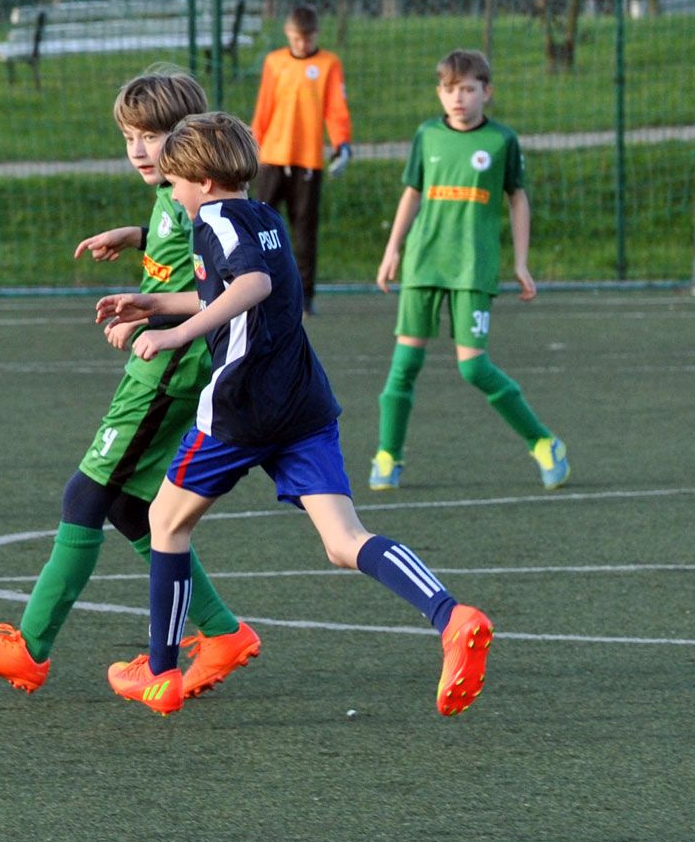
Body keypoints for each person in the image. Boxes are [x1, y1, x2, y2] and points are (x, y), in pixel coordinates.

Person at [95, 113, 494, 718]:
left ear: (203, 181)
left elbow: (250, 286)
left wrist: (176, 335)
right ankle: (451, 616)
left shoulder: (213, 220)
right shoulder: (263, 217)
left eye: (175, 183)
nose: (172, 194)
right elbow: (226, 290)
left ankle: (160, 672)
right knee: (344, 540)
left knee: (164, 522)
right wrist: (151, 304)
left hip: (243, 406)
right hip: (302, 401)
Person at [0, 68, 259, 697]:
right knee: (128, 507)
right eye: (128, 137)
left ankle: (29, 648)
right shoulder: (174, 196)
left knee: (84, 495)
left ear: (189, 140)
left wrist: (150, 312)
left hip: (167, 370)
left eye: (152, 137)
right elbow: (182, 244)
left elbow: (217, 285)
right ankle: (222, 632)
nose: (139, 150)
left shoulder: (194, 201)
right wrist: (137, 236)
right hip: (162, 365)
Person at [369, 49, 569, 492]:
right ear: (439, 94)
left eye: (467, 89)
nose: (457, 98)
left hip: (472, 268)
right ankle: (388, 455)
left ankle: (543, 441)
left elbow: (517, 198)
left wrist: (520, 262)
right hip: (424, 262)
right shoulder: (427, 135)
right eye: (448, 89)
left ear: (486, 92)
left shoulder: (501, 141)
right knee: (404, 365)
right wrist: (392, 249)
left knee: (474, 368)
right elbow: (412, 193)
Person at [250, 4, 352, 313]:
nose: (302, 44)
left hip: (308, 161)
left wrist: (342, 144)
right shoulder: (275, 62)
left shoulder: (328, 64)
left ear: (316, 34)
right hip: (272, 157)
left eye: (307, 38)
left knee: (304, 230)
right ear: (287, 34)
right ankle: (254, 289)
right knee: (258, 224)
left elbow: (336, 109)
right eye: (296, 38)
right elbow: (264, 107)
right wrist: (252, 145)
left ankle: (305, 296)